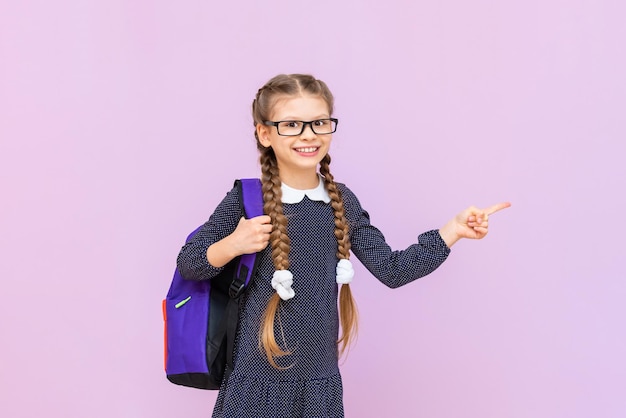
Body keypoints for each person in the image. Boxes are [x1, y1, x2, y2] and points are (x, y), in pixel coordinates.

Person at [177, 73, 510, 417]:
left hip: (320, 384)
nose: (308, 135)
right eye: (291, 124)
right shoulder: (245, 199)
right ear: (264, 133)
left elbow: (392, 270)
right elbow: (190, 263)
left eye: (319, 123)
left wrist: (452, 231)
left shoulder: (341, 201)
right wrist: (233, 244)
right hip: (256, 383)